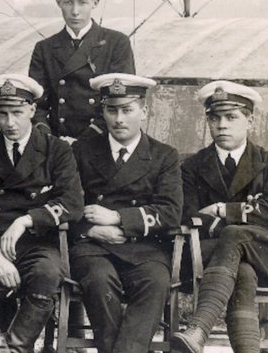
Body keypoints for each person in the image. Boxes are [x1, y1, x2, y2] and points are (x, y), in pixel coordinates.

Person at [0, 74, 83, 353]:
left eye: (17, 113)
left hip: (37, 242)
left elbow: (72, 202)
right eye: (2, 114)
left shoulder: (57, 150)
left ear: (32, 110)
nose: (10, 122)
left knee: (47, 273)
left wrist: (27, 220)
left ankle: (14, 348)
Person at [172, 81, 268, 353]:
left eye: (231, 117)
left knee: (234, 235)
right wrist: (247, 215)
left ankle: (199, 328)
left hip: (267, 258)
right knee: (242, 268)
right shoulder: (192, 166)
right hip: (208, 259)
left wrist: (220, 210)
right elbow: (187, 214)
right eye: (214, 118)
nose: (222, 125)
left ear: (250, 120)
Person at [70, 73, 183, 353]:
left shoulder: (164, 155)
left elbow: (170, 211)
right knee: (98, 281)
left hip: (144, 248)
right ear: (103, 112)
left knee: (156, 282)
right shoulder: (82, 151)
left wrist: (119, 218)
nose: (119, 119)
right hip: (92, 247)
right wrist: (89, 229)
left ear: (144, 111)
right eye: (112, 110)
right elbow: (67, 202)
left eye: (127, 110)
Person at [29, 0, 135, 143]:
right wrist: (49, 138)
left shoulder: (117, 43)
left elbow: (120, 100)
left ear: (95, 2)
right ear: (58, 2)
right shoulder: (44, 48)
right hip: (57, 142)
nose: (75, 11)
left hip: (102, 140)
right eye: (68, 2)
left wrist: (85, 140)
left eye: (83, 3)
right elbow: (36, 104)